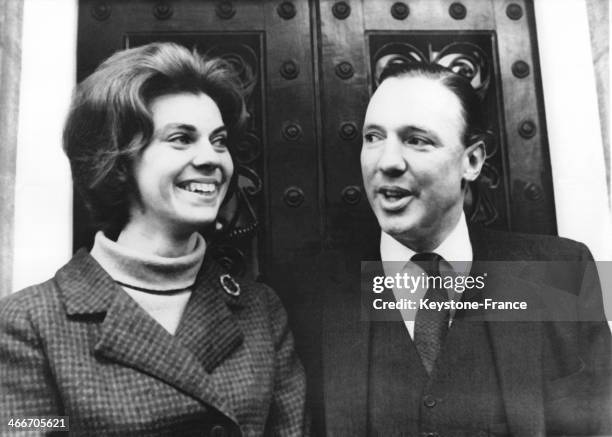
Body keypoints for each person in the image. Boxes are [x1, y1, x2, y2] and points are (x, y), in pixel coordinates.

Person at [0, 42, 307, 436]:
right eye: (181, 138)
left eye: (219, 140)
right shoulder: (28, 324)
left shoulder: (260, 311)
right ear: (119, 159)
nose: (212, 159)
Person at [315, 62, 612, 436]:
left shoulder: (565, 274)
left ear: (472, 160)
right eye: (374, 137)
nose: (386, 161)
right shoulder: (307, 294)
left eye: (416, 139)